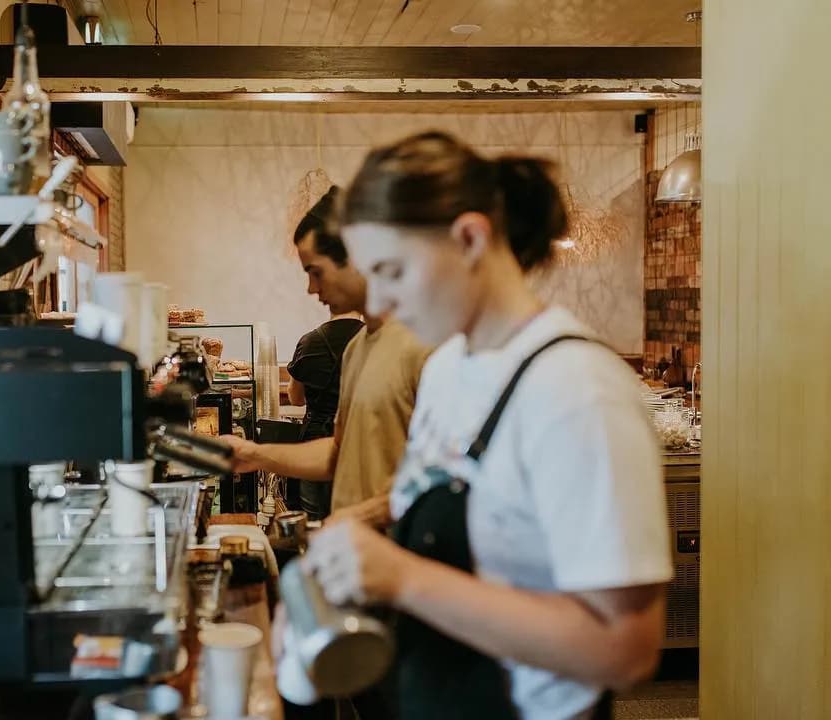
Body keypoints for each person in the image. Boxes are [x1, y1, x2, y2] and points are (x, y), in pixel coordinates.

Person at [301, 132, 673, 720]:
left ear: (471, 238)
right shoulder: (448, 364)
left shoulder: (576, 390)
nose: (382, 299)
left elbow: (625, 650)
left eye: (393, 270)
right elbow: (426, 497)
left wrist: (403, 578)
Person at [223, 186, 430, 527]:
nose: (311, 289)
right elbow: (338, 452)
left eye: (315, 272)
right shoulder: (357, 348)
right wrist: (253, 454)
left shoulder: (423, 345)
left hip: (400, 561)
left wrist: (356, 519)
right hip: (358, 556)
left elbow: (443, 477)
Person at [286, 309, 363, 520]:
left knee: (315, 519)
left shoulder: (309, 341)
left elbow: (296, 398)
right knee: (356, 518)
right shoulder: (374, 340)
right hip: (359, 440)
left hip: (315, 440)